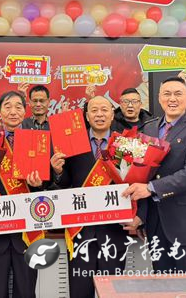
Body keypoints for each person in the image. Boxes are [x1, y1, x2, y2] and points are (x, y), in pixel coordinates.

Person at [122, 77, 186, 273]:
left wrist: (151, 188)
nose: (172, 99)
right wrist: (141, 215)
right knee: (162, 283)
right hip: (156, 223)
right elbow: (142, 175)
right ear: (159, 98)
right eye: (167, 94)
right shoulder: (149, 128)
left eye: (178, 94)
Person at [52, 96, 130, 298]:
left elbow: (133, 182)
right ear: (86, 116)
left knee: (112, 292)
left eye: (104, 110)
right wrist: (58, 171)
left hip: (113, 230)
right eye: (94, 110)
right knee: (80, 290)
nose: (99, 114)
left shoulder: (124, 144)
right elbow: (65, 182)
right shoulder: (72, 142)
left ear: (112, 115)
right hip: (81, 230)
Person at [0, 91, 44, 298]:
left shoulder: (38, 140)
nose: (13, 111)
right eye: (8, 106)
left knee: (26, 291)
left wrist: (39, 185)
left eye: (18, 106)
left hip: (27, 232)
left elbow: (50, 185)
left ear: (25, 111)